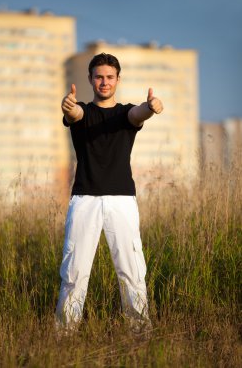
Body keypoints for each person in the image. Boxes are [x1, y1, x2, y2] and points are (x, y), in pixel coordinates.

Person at [55, 53, 163, 332]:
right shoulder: (82, 112)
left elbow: (138, 113)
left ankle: (140, 333)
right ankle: (64, 335)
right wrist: (68, 107)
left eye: (110, 77)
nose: (104, 82)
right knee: (74, 272)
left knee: (132, 271)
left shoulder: (125, 114)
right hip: (84, 200)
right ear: (91, 79)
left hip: (122, 201)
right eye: (99, 77)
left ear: (118, 80)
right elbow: (74, 114)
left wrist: (151, 107)